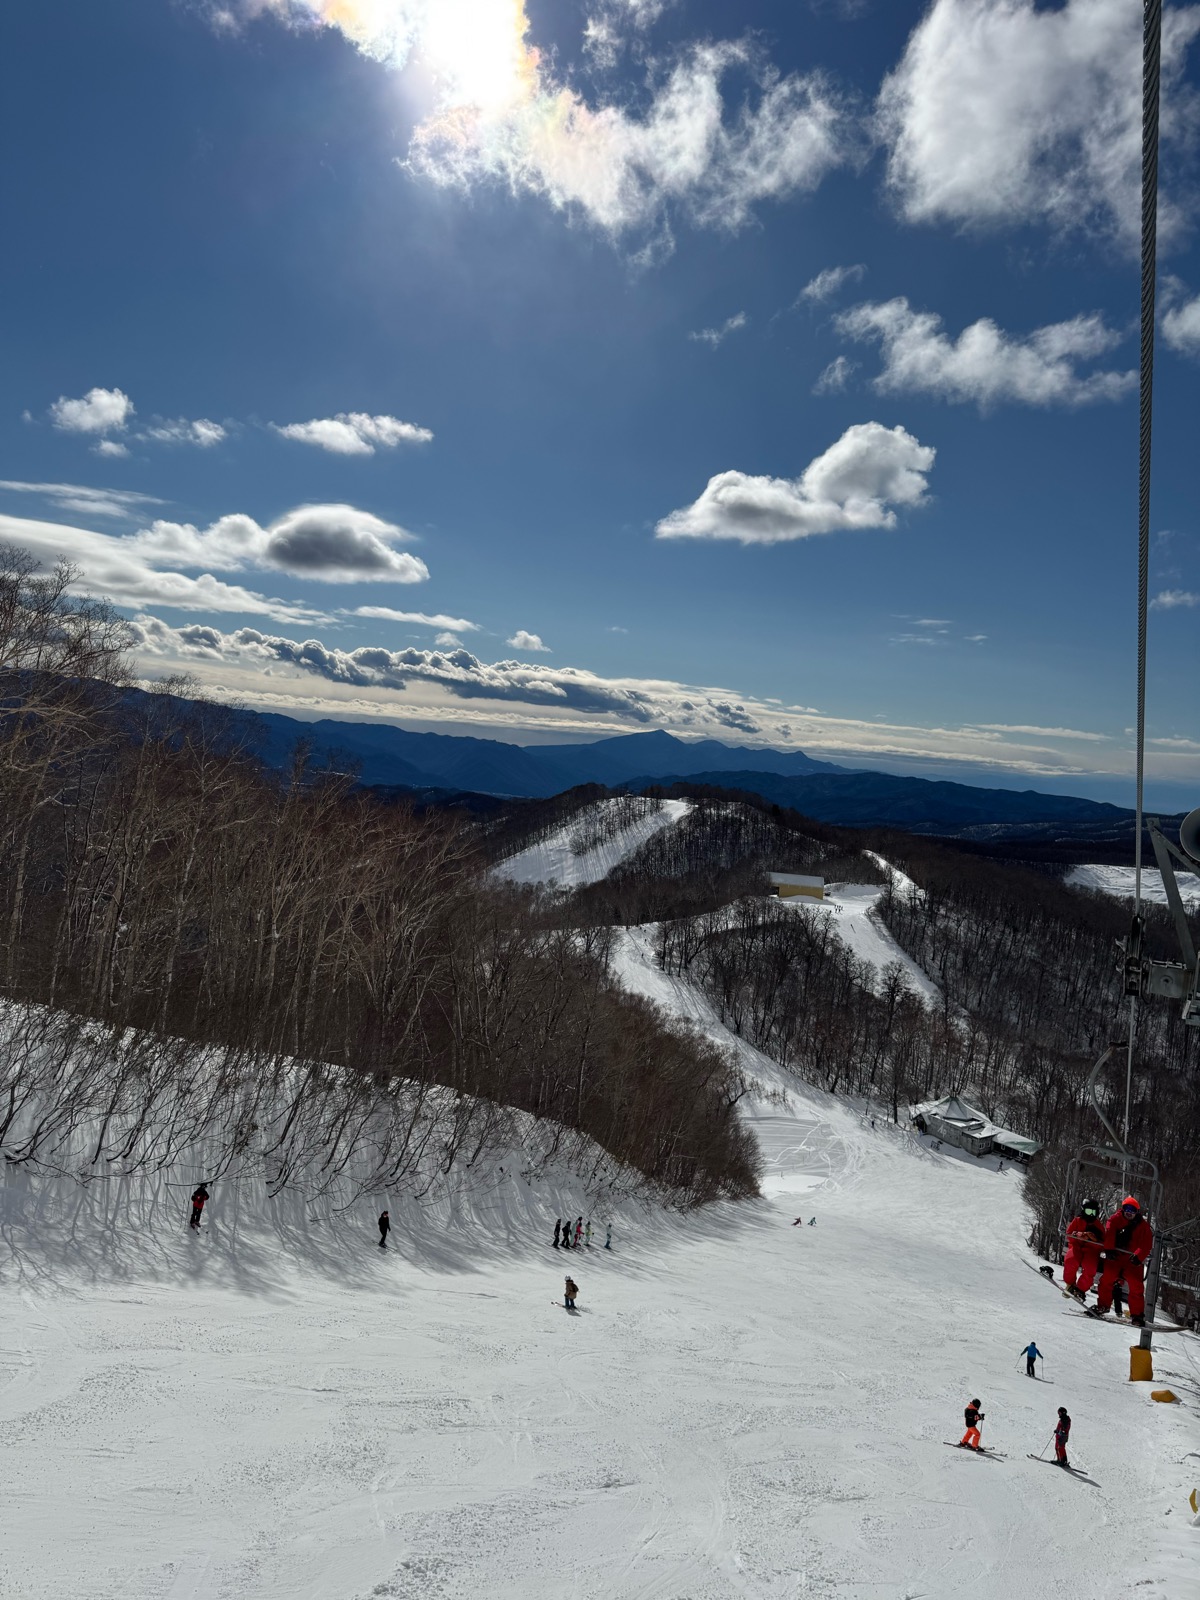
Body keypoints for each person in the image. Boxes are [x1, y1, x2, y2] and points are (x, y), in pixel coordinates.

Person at [1091, 1196, 1154, 1326]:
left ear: (1137, 1212)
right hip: (1116, 1257)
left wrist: (1139, 1256)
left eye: (1132, 1210)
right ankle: (1103, 1305)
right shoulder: (1115, 1219)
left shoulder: (1143, 1226)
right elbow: (1109, 1232)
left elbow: (1146, 1243)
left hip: (1132, 1261)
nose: (1129, 1212)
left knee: (1136, 1286)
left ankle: (1137, 1315)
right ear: (1123, 1209)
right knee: (1106, 1280)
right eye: (1127, 1209)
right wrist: (1108, 1250)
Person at [1063, 1197, 1104, 1302]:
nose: (1090, 1214)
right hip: (1076, 1246)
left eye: (1093, 1212)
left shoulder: (1098, 1226)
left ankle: (1080, 1289)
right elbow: (1069, 1234)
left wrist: (1093, 1239)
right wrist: (1080, 1235)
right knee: (1070, 1261)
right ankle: (1070, 1284)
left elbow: (1103, 1243)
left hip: (1091, 1250)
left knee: (1090, 1268)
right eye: (1088, 1211)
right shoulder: (1077, 1221)